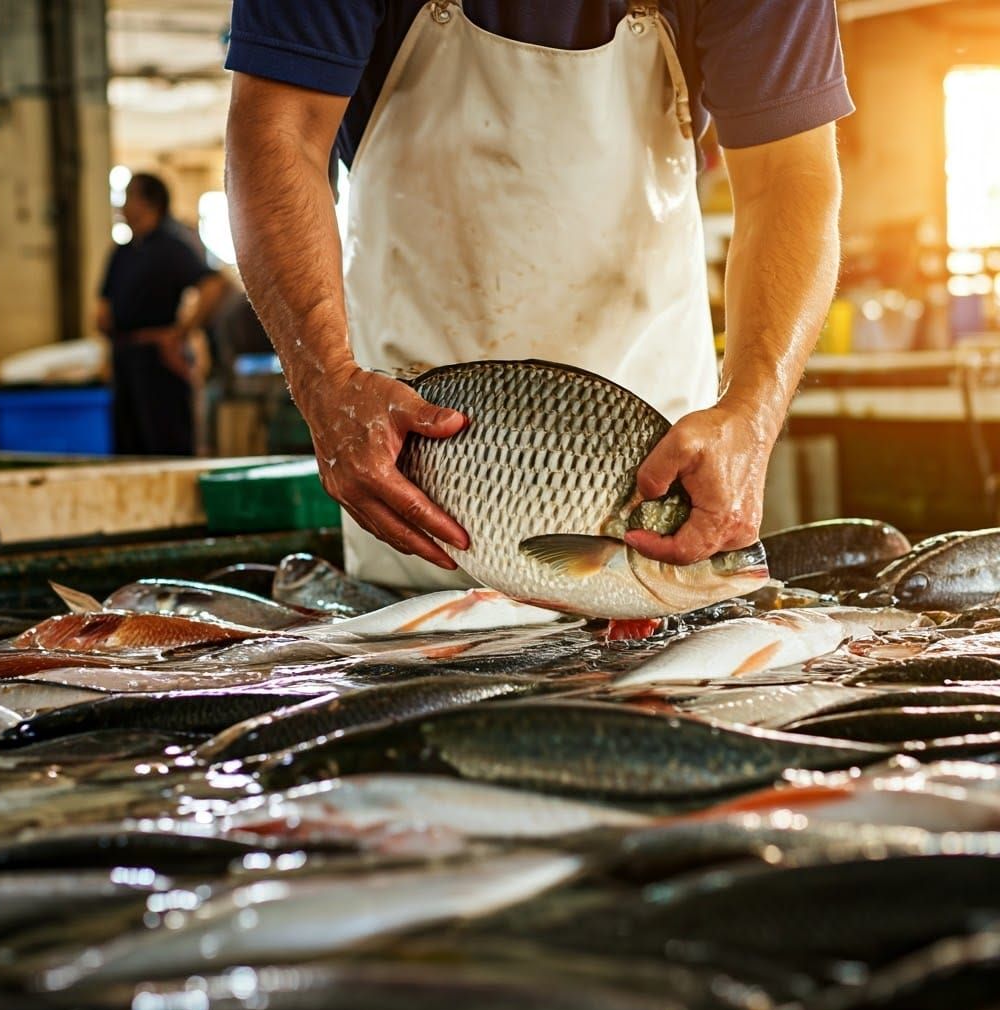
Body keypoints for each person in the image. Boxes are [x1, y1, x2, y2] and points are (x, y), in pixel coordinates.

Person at [224, 2, 852, 588]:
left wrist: (752, 412)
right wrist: (327, 381)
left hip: (653, 490)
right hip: (416, 478)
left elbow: (788, 174)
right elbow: (280, 131)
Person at [97, 172, 227, 456]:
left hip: (159, 360)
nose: (122, 205)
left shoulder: (172, 248)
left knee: (165, 441)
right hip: (125, 360)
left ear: (149, 203)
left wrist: (181, 332)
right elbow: (103, 304)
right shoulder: (122, 253)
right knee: (128, 446)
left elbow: (214, 284)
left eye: (129, 196)